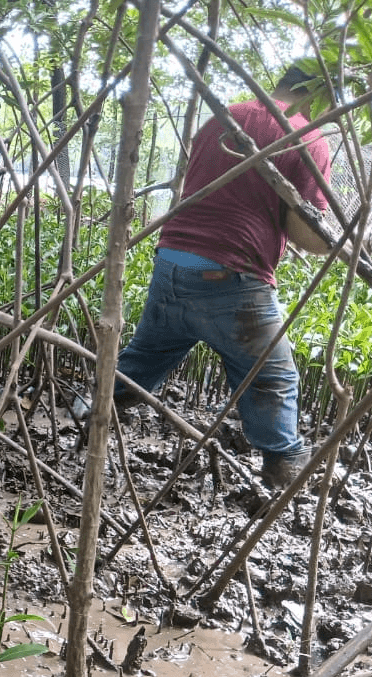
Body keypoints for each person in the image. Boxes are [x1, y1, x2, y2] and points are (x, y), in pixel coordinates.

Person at [114, 65, 334, 490]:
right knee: (273, 381)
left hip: (172, 262)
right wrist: (341, 243)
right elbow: (306, 234)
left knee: (139, 365)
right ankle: (285, 481)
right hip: (232, 277)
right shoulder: (307, 137)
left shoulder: (225, 116)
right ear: (318, 93)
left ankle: (86, 418)